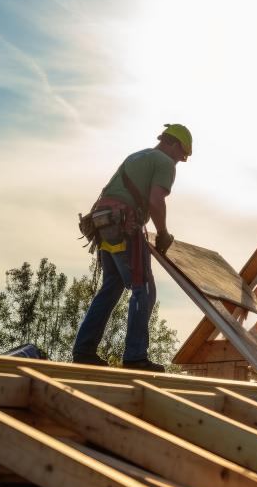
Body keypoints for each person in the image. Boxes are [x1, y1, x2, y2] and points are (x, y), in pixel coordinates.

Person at [71, 123, 192, 372]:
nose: (181, 161)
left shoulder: (137, 156)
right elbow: (155, 201)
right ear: (174, 144)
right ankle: (135, 358)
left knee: (111, 287)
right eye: (183, 155)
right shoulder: (164, 162)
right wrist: (163, 233)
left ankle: (84, 350)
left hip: (104, 224)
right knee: (143, 289)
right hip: (125, 226)